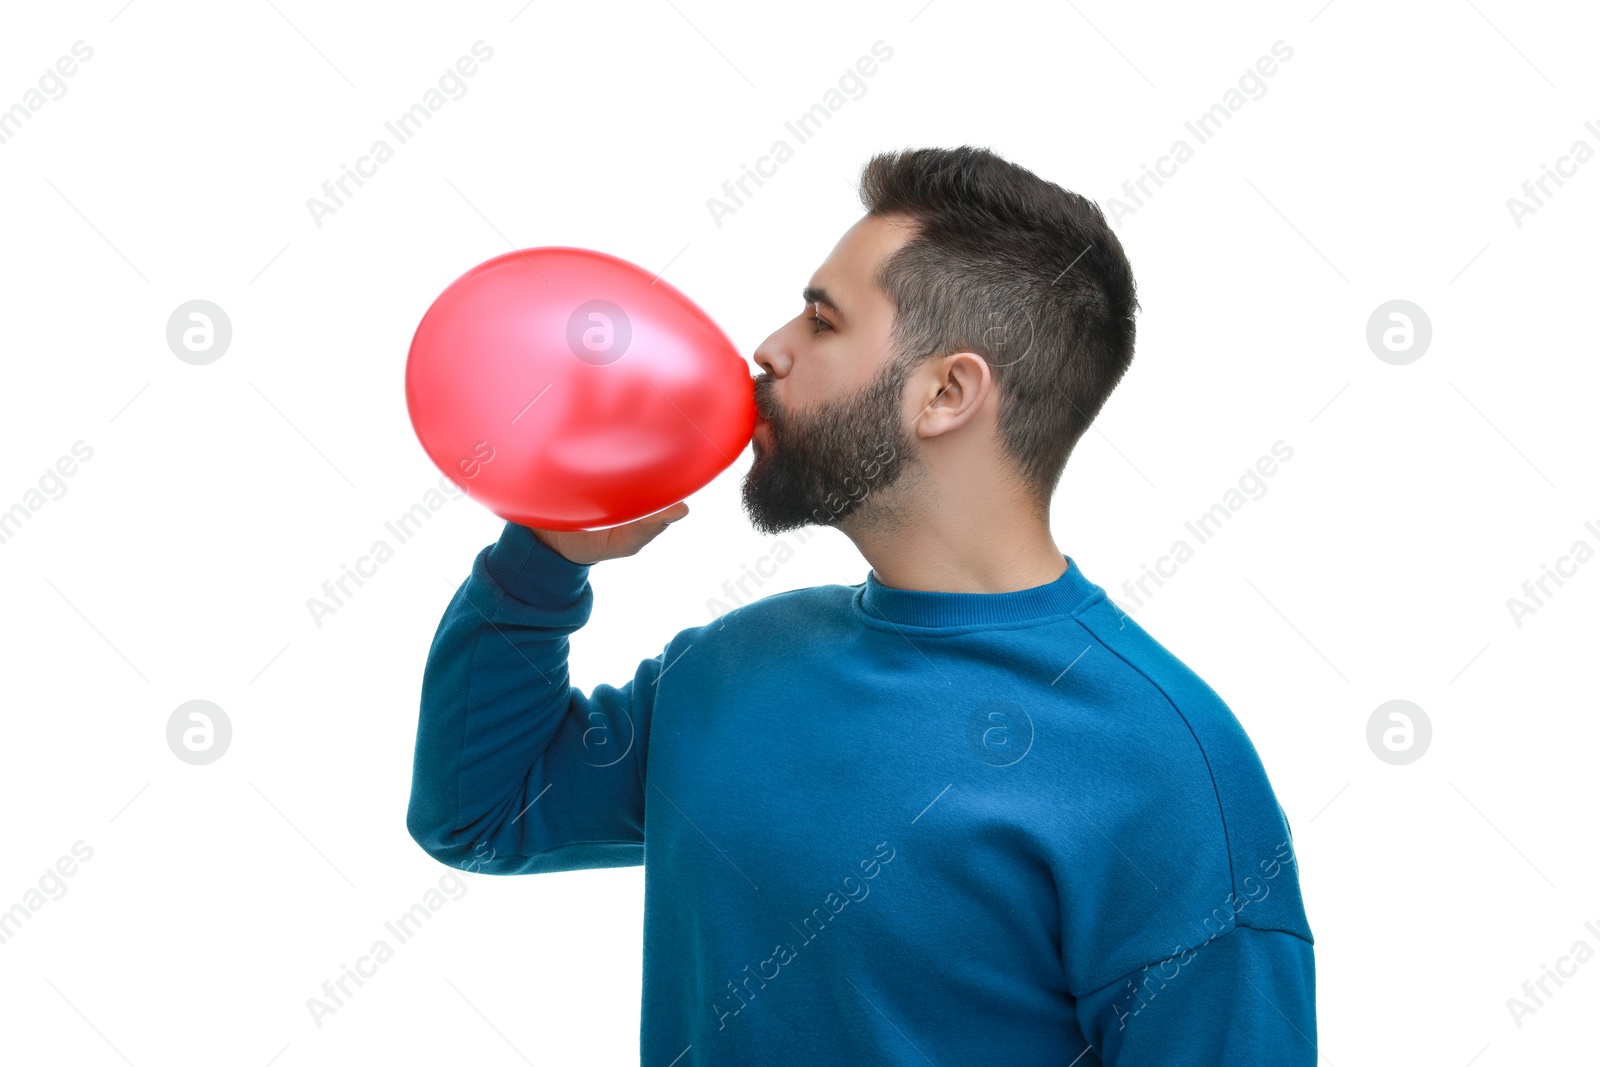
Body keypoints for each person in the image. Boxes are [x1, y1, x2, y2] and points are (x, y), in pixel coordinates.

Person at [407, 145, 1316, 1064]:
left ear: (947, 393)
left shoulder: (1166, 766)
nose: (767, 349)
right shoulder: (730, 664)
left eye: (821, 320)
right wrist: (547, 557)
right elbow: (480, 811)